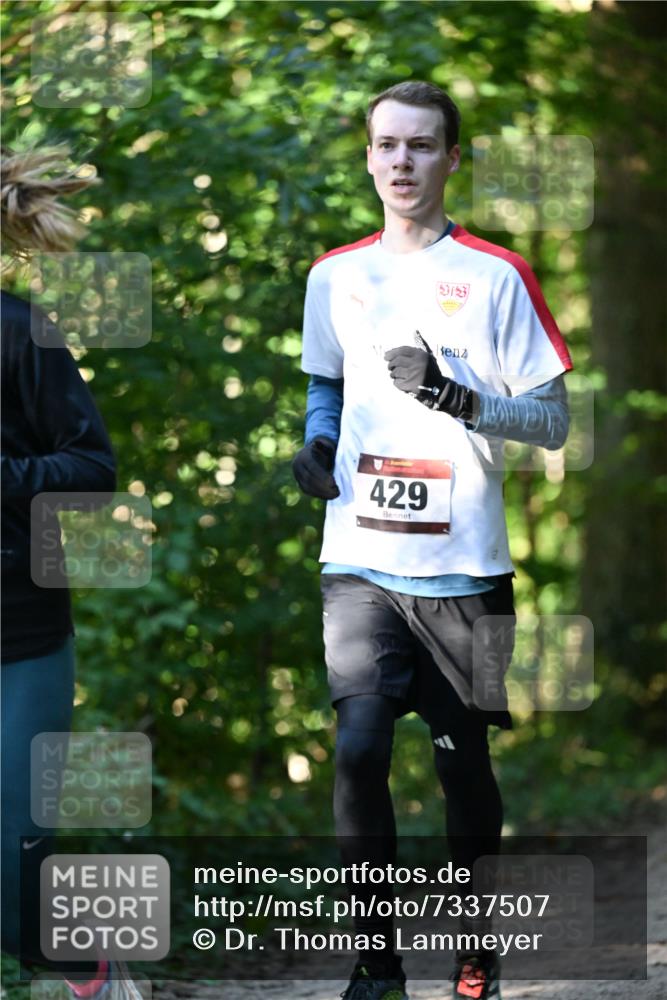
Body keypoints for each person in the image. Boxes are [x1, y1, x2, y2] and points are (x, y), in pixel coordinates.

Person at [292, 81, 573, 1000]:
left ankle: (474, 947)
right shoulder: (333, 275)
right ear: (367, 156)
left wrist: (458, 399)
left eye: (421, 146)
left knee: (464, 773)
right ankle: (376, 967)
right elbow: (324, 387)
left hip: (467, 568)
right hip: (359, 561)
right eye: (386, 145)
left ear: (454, 157)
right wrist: (317, 445)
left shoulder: (497, 274)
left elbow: (553, 421)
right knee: (358, 751)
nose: (402, 162)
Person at [1, 143, 143, 999]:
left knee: (15, 847)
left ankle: (91, 967)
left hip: (19, 633)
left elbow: (92, 467)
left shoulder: (22, 333)